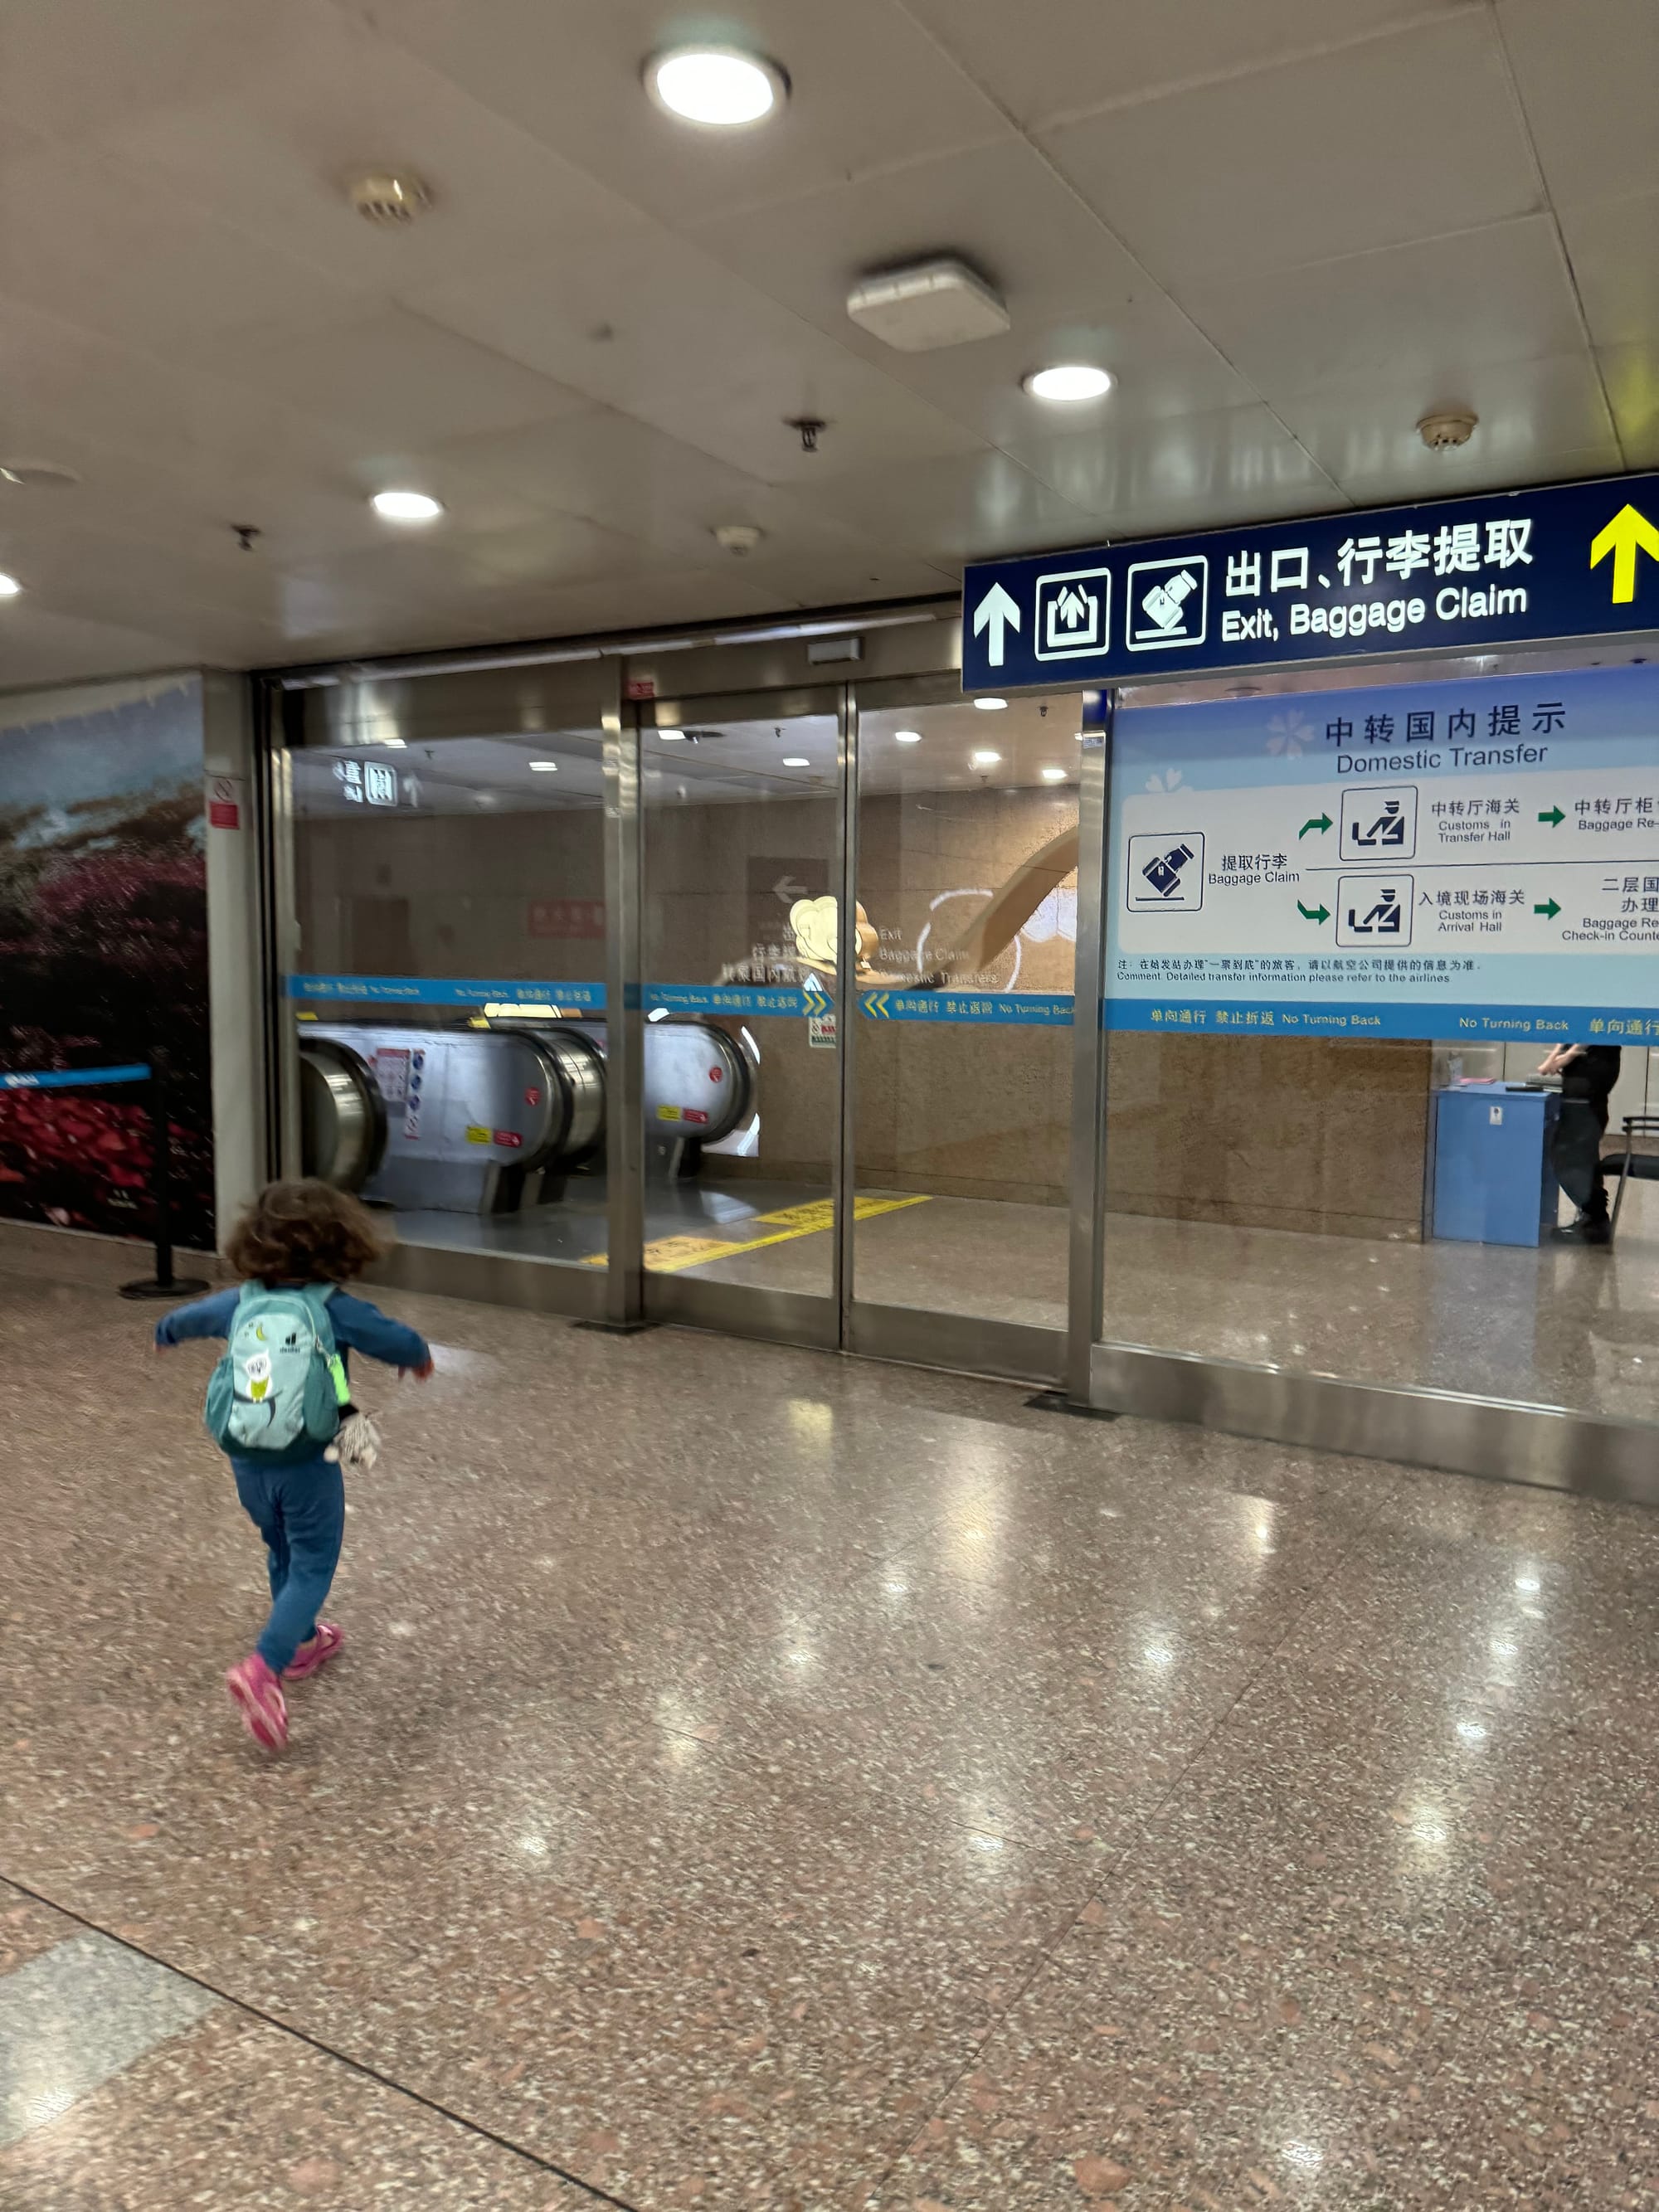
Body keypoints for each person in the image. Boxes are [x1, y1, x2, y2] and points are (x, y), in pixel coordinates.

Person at [155, 1180, 432, 1749]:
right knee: (312, 1560)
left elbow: (188, 1318)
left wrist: (167, 1332)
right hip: (306, 1459)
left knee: (279, 1545)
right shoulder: (333, 1306)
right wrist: (420, 1357)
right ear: (339, 1244)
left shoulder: (242, 1300)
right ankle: (264, 1667)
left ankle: (304, 1641)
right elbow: (396, 1338)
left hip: (246, 1456)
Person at [1536, 1042, 1623, 1244]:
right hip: (1582, 1076)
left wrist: (1567, 1056)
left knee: (1569, 1156)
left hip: (1592, 1072)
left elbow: (1590, 1029)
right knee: (1581, 1154)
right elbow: (1571, 1026)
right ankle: (1593, 1221)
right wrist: (1555, 1057)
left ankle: (1595, 1218)